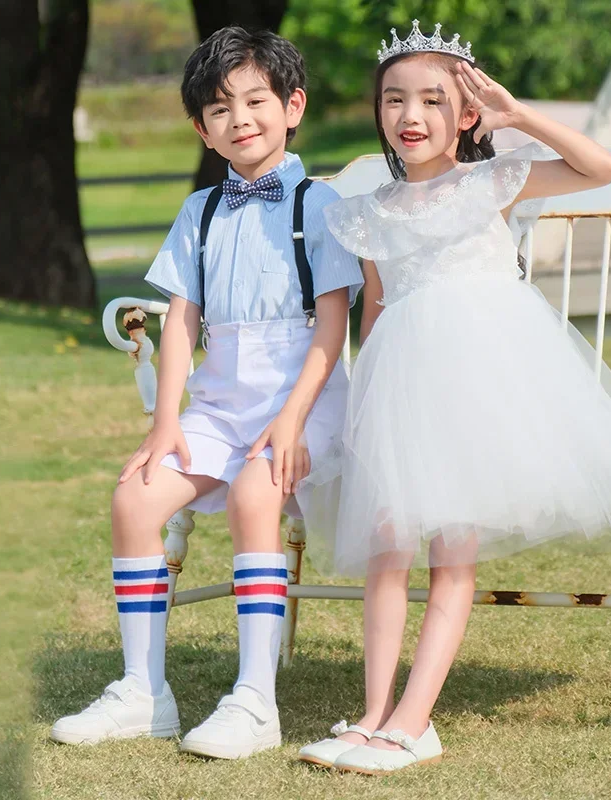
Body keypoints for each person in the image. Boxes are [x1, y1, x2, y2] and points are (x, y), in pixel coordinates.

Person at [298, 20, 611, 774]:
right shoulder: (370, 211)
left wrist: (520, 117)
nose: (412, 116)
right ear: (378, 111)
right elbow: (374, 313)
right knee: (386, 545)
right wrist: (364, 411)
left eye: (435, 101)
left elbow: (599, 168)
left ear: (466, 113)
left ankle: (414, 720)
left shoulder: (489, 181)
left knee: (452, 551)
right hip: (402, 389)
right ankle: (372, 714)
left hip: (483, 383)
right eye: (395, 100)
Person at [50, 26, 362, 760]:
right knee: (137, 495)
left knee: (258, 495)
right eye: (220, 109)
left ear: (294, 106)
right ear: (201, 128)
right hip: (219, 408)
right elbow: (182, 326)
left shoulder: (320, 206)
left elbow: (333, 329)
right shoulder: (199, 213)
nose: (240, 118)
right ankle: (142, 692)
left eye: (257, 100)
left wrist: (289, 423)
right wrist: (167, 423)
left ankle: (255, 700)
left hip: (308, 403)